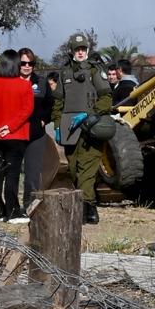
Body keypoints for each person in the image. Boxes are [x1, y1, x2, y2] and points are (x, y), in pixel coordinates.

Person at [52, 32, 112, 224]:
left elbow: (106, 98)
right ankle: (84, 205)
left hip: (90, 126)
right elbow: (58, 102)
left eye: (83, 49)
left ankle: (88, 208)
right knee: (73, 167)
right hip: (70, 127)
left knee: (88, 167)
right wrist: (57, 124)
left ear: (87, 50)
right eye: (77, 49)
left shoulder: (95, 70)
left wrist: (92, 114)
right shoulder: (64, 73)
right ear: (71, 51)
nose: (80, 52)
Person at [0, 50, 35, 222]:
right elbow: (27, 111)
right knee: (12, 174)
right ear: (17, 65)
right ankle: (12, 212)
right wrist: (9, 128)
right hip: (16, 137)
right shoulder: (24, 85)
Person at [16, 47, 53, 211]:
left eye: (30, 63)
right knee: (12, 173)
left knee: (32, 174)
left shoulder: (42, 82)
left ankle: (29, 206)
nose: (26, 66)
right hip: (15, 134)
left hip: (35, 135)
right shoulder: (11, 82)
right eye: (23, 63)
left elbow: (50, 104)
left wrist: (44, 119)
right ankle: (11, 206)